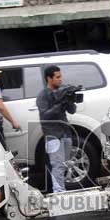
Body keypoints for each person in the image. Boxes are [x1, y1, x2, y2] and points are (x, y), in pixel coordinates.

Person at [36, 65, 77, 193]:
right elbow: (44, 115)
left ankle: (60, 189)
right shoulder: (43, 95)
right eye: (57, 77)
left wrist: (69, 99)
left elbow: (72, 110)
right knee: (57, 164)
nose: (60, 79)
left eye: (61, 76)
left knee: (64, 164)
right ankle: (59, 192)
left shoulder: (62, 91)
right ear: (49, 78)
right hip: (52, 135)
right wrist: (58, 104)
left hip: (65, 132)